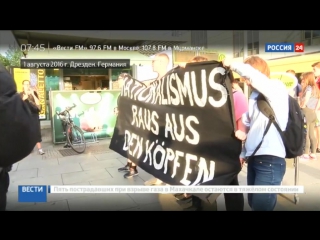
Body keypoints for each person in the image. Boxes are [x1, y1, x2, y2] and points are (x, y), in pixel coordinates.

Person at [175, 56, 248, 211]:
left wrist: (240, 152)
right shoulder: (194, 96)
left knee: (231, 189)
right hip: (201, 153)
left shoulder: (236, 96)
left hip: (226, 153)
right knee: (204, 193)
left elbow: (242, 128)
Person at [224, 56, 288, 211]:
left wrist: (233, 64)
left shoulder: (276, 87)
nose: (246, 81)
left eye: (246, 77)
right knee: (254, 203)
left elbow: (255, 77)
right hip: (254, 159)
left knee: (261, 206)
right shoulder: (254, 96)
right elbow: (252, 129)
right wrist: (243, 152)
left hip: (270, 161)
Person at [299, 72, 320, 159]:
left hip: (306, 111)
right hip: (313, 112)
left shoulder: (308, 88)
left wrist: (302, 105)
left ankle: (306, 153)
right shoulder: (316, 89)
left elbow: (307, 98)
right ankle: (313, 152)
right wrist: (315, 109)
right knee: (312, 133)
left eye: (304, 78)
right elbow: (319, 100)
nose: (303, 80)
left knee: (306, 133)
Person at [20, 80, 45, 155]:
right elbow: (18, 104)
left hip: (34, 115)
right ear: (23, 85)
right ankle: (27, 148)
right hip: (25, 115)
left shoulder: (33, 93)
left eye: (28, 84)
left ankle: (40, 149)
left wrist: (34, 95)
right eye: (26, 84)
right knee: (26, 132)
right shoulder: (21, 94)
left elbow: (38, 104)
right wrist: (24, 98)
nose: (27, 86)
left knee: (36, 132)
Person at [312, 62, 320, 152]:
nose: (313, 71)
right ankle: (316, 144)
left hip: (318, 107)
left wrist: (317, 107)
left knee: (318, 126)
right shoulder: (317, 79)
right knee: (315, 126)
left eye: (315, 69)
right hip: (316, 106)